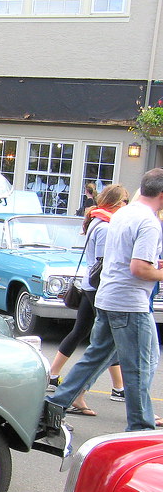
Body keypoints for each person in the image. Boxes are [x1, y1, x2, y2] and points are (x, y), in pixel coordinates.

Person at [46, 168, 163, 433]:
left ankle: (53, 406)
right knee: (139, 367)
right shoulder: (149, 222)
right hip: (130, 303)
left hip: (109, 298)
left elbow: (127, 260)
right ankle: (141, 428)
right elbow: (139, 269)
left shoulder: (123, 213)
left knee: (96, 357)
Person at [46, 184, 129, 416]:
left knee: (85, 332)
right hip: (98, 288)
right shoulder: (104, 226)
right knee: (105, 341)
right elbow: (103, 263)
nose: (126, 206)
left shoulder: (97, 221)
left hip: (90, 286)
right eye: (124, 201)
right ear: (115, 202)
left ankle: (55, 375)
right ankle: (112, 388)